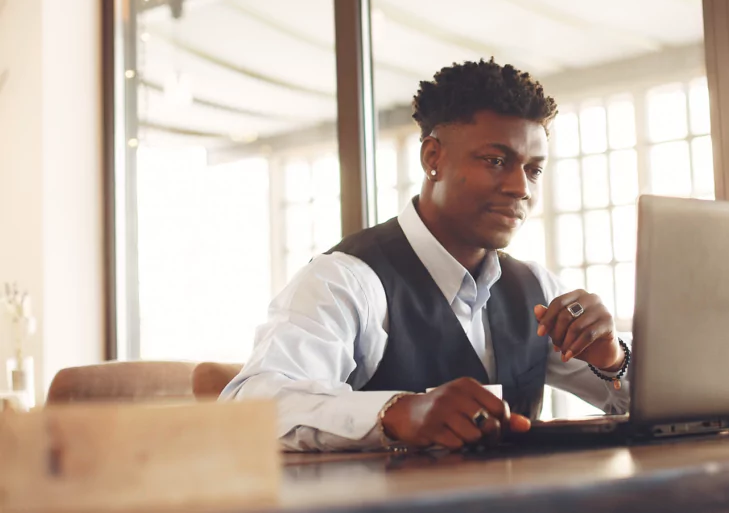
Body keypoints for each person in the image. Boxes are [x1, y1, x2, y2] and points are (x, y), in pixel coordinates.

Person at [220, 59, 631, 451]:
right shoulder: (348, 279)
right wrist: (396, 413)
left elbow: (651, 406)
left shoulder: (536, 288)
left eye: (534, 170)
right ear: (433, 158)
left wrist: (612, 359)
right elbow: (252, 405)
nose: (520, 187)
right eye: (495, 160)